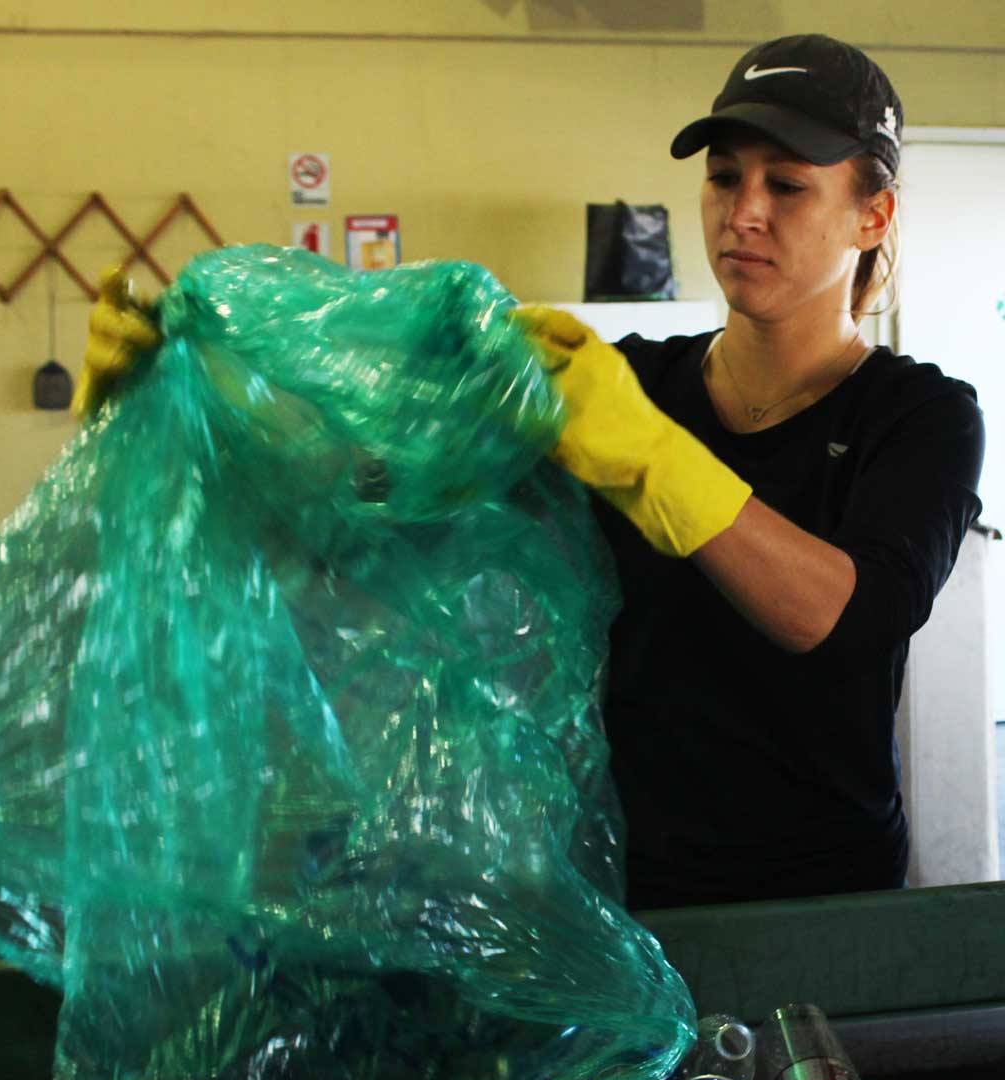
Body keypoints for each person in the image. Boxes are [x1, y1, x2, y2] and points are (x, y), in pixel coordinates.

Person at [75, 34, 984, 912]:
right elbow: (374, 498)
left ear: (874, 214)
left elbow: (845, 617)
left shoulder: (918, 416)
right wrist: (190, 416)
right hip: (628, 887)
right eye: (723, 177)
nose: (744, 211)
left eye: (785, 184)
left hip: (823, 899)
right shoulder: (620, 384)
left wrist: (657, 461)